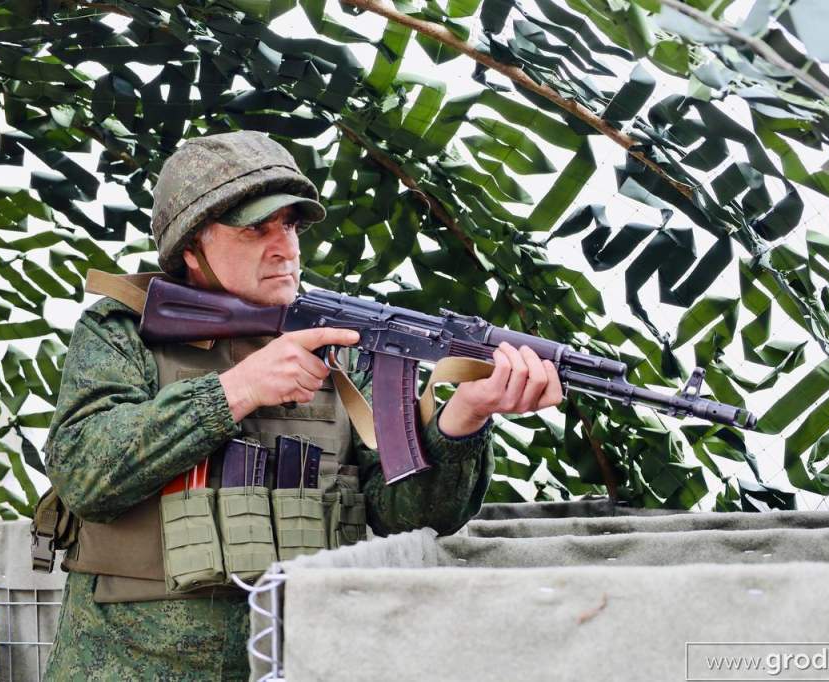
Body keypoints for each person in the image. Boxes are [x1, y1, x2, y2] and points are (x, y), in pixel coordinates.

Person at [41, 130, 563, 679]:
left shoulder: (339, 340)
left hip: (309, 655)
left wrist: (462, 420)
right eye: (256, 229)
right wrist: (236, 391)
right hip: (133, 665)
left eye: (290, 225)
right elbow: (85, 473)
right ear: (190, 249)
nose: (286, 247)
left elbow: (406, 519)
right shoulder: (124, 330)